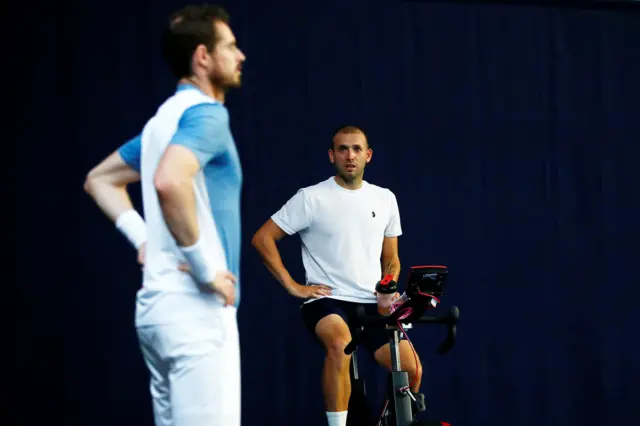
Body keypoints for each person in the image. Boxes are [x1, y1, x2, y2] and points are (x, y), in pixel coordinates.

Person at [84, 4, 246, 426]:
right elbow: (169, 181)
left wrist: (144, 239)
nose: (240, 55)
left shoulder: (162, 122)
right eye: (229, 46)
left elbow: (100, 179)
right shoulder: (208, 115)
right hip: (197, 313)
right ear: (203, 57)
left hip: (156, 315)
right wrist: (205, 270)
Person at [251, 126, 424, 426]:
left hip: (372, 304)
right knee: (341, 344)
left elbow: (391, 259)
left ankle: (388, 422)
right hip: (327, 301)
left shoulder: (384, 199)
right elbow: (262, 238)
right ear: (332, 156)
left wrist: (388, 285)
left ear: (368, 155)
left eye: (357, 149)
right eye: (343, 149)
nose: (350, 156)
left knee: (411, 369)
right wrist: (293, 286)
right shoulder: (311, 198)